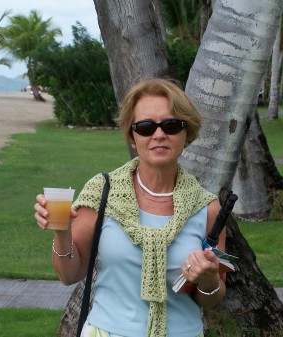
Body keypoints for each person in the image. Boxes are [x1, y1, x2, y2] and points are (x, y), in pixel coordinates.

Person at [34, 78, 227, 337]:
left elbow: (212, 297)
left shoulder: (208, 208)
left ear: (186, 133)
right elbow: (69, 275)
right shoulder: (103, 192)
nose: (159, 134)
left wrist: (208, 279)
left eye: (171, 125)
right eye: (146, 127)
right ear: (132, 137)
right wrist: (62, 230)